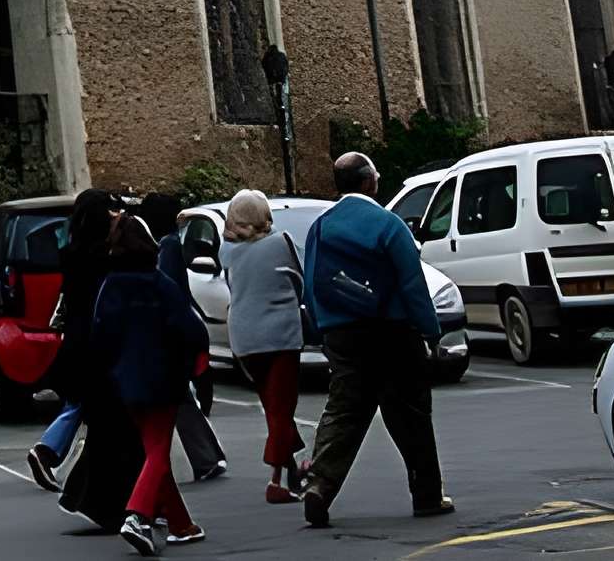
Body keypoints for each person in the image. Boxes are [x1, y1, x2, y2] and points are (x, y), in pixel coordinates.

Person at [297, 152, 451, 528]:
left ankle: (320, 485)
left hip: (343, 333)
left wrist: (323, 329)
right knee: (411, 415)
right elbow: (412, 283)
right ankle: (427, 494)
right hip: (392, 331)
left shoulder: (321, 227)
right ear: (369, 182)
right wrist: (430, 329)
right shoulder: (388, 224)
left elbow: (311, 282)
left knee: (344, 411)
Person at [91, 213, 209, 554]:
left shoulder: (110, 285)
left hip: (126, 378)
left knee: (152, 450)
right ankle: (137, 515)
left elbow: (101, 334)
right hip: (163, 375)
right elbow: (190, 327)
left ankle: (180, 523)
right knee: (158, 452)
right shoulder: (160, 284)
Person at [25, 191, 117, 491]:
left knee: (78, 400)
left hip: (75, 336)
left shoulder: (71, 253)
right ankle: (48, 451)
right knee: (86, 402)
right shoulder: (103, 257)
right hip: (95, 338)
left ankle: (53, 453)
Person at [219, 190, 306, 502]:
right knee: (282, 407)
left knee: (273, 406)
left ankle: (293, 470)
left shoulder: (226, 250)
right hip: (279, 333)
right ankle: (276, 480)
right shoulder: (280, 243)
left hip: (243, 337)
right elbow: (299, 282)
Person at [139, 190, 227, 484]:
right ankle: (206, 457)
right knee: (181, 399)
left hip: (168, 335)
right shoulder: (170, 245)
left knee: (176, 399)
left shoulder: (166, 248)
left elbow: (169, 291)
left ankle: (201, 458)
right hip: (175, 331)